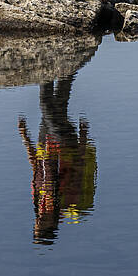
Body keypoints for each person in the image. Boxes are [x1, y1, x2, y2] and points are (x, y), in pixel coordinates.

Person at [18, 74, 97, 244]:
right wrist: (83, 137)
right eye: (41, 225)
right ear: (52, 224)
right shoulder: (66, 201)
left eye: (36, 225)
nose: (37, 221)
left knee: (59, 102)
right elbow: (78, 168)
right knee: (46, 104)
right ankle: (50, 67)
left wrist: (25, 137)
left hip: (43, 142)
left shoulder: (39, 201)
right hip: (65, 145)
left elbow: (36, 167)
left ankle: (66, 68)